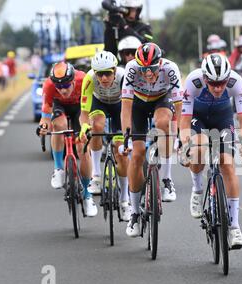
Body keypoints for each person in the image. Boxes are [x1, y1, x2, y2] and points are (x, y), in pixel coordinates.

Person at [180, 53, 242, 249]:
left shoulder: (237, 82)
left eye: (222, 83)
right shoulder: (192, 82)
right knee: (200, 146)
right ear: (205, 79)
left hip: (223, 118)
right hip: (198, 117)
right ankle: (197, 188)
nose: (218, 88)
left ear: (228, 78)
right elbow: (184, 120)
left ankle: (234, 226)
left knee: (227, 164)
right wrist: (185, 143)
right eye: (213, 84)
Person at [120, 42, 183, 237]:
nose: (148, 74)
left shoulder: (171, 69)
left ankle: (166, 178)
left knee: (164, 123)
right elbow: (126, 109)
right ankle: (135, 213)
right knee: (137, 155)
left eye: (152, 69)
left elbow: (179, 108)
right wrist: (127, 139)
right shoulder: (131, 69)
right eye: (143, 69)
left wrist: (177, 136)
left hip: (161, 100)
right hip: (138, 104)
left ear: (160, 63)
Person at [37, 62, 98, 217]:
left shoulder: (83, 79)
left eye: (66, 85)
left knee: (83, 148)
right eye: (59, 86)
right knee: (58, 125)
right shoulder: (49, 86)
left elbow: (90, 109)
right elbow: (45, 116)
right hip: (59, 107)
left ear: (72, 80)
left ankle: (87, 195)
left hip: (80, 108)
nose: (63, 89)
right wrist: (43, 127)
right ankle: (58, 169)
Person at [78, 51, 132, 220]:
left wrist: (127, 137)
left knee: (121, 153)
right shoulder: (89, 79)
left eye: (107, 73)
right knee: (96, 126)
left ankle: (125, 200)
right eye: (99, 74)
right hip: (99, 103)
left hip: (119, 107)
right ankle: (96, 174)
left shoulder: (124, 77)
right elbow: (84, 111)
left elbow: (130, 110)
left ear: (115, 70)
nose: (103, 78)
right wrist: (84, 126)